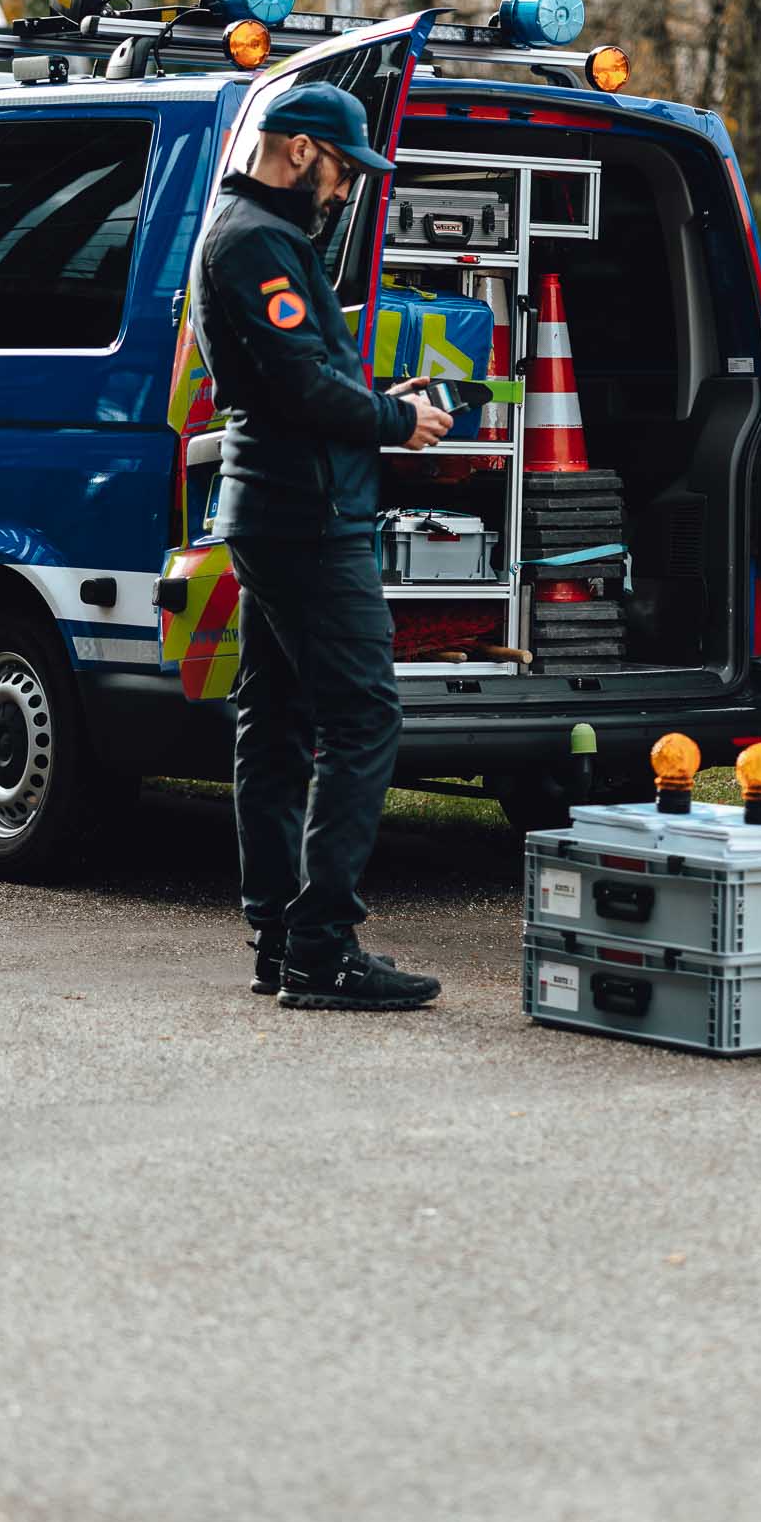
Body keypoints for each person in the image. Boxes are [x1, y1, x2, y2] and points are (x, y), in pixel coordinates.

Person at [189, 80, 453, 1010]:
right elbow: (298, 387)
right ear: (300, 151)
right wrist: (397, 418)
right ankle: (323, 945)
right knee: (362, 717)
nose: (345, 193)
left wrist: (386, 395)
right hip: (307, 517)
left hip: (275, 507)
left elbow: (297, 373)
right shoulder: (256, 238)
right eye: (343, 171)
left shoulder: (245, 228)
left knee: (275, 722)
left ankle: (279, 939)